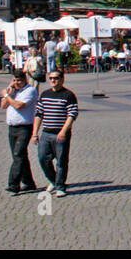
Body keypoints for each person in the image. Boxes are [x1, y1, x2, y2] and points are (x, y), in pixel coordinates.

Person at [32, 69, 78, 197]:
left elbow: (72, 114)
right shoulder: (45, 94)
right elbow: (39, 114)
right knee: (43, 158)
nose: (53, 80)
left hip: (60, 133)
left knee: (61, 161)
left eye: (56, 78)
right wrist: (35, 133)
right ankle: (53, 180)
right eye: (51, 78)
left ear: (62, 79)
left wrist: (64, 131)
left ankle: (60, 186)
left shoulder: (68, 95)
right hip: (46, 133)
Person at [0, 69, 38, 195]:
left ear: (25, 80)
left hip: (24, 127)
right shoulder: (12, 91)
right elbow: (3, 106)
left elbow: (18, 105)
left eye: (19, 81)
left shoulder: (30, 90)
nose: (17, 83)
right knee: (19, 156)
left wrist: (6, 96)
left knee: (18, 154)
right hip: (12, 127)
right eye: (15, 80)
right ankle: (29, 182)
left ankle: (13, 184)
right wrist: (8, 93)